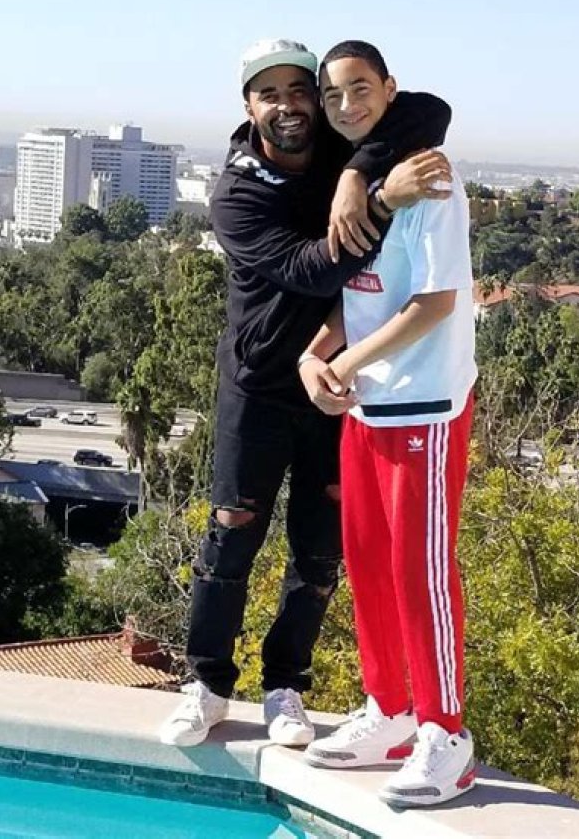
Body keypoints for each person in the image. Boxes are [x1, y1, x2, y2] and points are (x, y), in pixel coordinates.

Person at [159, 38, 454, 749]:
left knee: (320, 551)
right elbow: (314, 270)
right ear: (248, 106)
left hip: (334, 383)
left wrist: (352, 173)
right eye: (271, 94)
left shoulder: (338, 148)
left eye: (301, 90)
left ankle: (284, 683)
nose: (289, 106)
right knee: (232, 531)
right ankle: (206, 683)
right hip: (260, 384)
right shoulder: (237, 193)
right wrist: (381, 194)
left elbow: (431, 110)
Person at [298, 41, 477, 808]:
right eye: (334, 95)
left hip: (424, 407)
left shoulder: (429, 175)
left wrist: (347, 361)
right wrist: (318, 353)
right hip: (366, 402)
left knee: (419, 572)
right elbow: (363, 291)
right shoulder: (363, 179)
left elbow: (434, 302)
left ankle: (446, 732)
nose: (347, 105)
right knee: (368, 562)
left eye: (360, 89)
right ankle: (392, 710)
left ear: (390, 88)